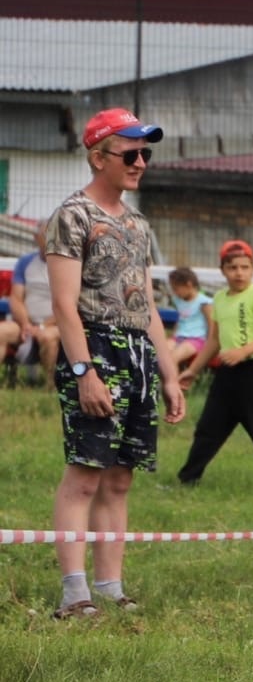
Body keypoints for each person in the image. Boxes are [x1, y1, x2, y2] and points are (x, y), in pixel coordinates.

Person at [44, 107, 187, 619]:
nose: (141, 162)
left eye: (146, 152)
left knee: (121, 478)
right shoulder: (73, 215)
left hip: (139, 354)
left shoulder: (137, 223)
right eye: (130, 152)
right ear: (98, 156)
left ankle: (109, 585)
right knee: (85, 473)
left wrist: (169, 372)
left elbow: (145, 304)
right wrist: (85, 372)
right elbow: (64, 304)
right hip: (95, 348)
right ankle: (73, 593)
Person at [177, 240, 253, 489]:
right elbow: (215, 340)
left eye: (244, 267)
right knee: (208, 428)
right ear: (223, 270)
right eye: (232, 267)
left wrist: (243, 351)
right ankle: (188, 479)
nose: (239, 273)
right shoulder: (219, 298)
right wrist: (192, 370)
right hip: (227, 374)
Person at [5, 220, 59, 388]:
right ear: (36, 238)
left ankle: (50, 387)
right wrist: (26, 325)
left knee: (47, 337)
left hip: (56, 325)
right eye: (45, 235)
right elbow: (16, 298)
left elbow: (69, 303)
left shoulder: (66, 265)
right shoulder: (25, 262)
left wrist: (42, 326)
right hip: (26, 323)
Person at [165, 266, 212, 371]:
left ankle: (173, 386)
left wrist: (209, 346)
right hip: (179, 337)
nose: (174, 292)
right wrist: (173, 335)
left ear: (189, 284)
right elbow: (180, 319)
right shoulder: (178, 300)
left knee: (173, 358)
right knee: (161, 355)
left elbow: (211, 324)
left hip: (196, 339)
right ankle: (163, 385)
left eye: (176, 289)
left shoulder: (204, 302)